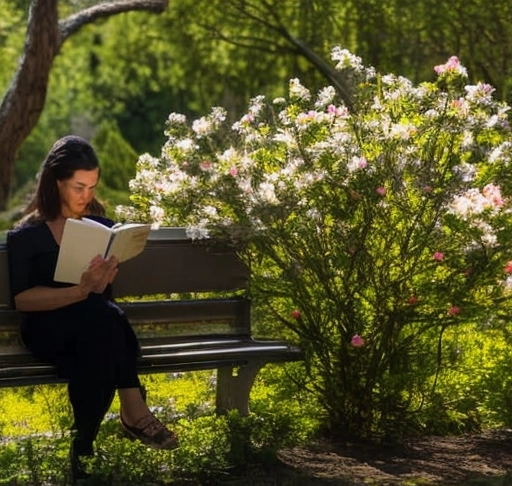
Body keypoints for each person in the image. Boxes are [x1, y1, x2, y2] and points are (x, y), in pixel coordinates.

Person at [6, 135, 178, 483]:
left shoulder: (102, 227)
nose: (87, 196)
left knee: (99, 341)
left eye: (92, 187)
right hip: (46, 329)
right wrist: (81, 290)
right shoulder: (26, 236)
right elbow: (23, 300)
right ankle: (133, 411)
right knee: (107, 321)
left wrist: (102, 280)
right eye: (78, 187)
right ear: (55, 183)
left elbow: (103, 295)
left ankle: (82, 451)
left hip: (95, 329)